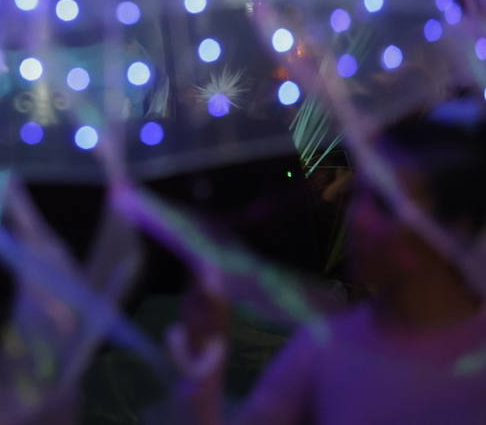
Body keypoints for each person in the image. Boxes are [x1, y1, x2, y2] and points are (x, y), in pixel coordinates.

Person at [173, 97, 486, 423]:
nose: (359, 219)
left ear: (454, 228)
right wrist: (203, 363)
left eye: (385, 205)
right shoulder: (325, 347)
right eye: (358, 195)